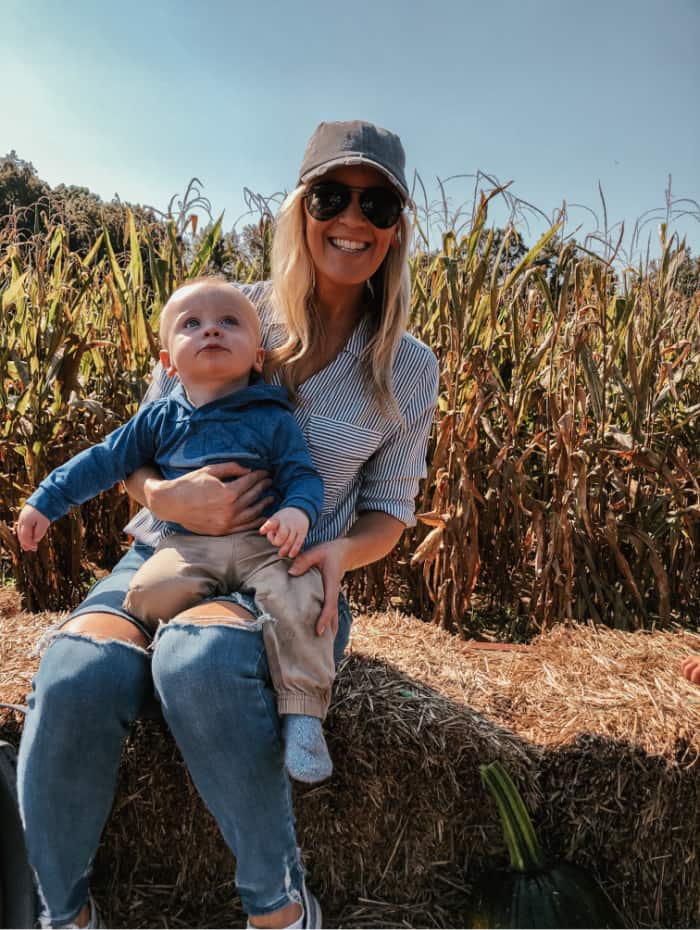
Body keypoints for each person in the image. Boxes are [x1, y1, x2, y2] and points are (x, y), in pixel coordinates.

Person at [17, 119, 439, 930]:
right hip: (161, 553)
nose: (353, 220)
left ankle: (278, 906)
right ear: (299, 207)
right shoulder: (220, 310)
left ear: (396, 226)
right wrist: (165, 499)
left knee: (201, 660)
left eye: (377, 204)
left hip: (278, 578)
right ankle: (62, 914)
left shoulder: (406, 364)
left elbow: (390, 513)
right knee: (74, 674)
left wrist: (331, 552)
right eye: (332, 196)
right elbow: (133, 452)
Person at [16, 279, 336, 785]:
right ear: (169, 363)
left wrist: (298, 512)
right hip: (187, 546)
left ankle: (302, 715)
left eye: (229, 322)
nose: (210, 327)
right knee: (144, 592)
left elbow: (303, 475)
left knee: (303, 596)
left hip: (264, 546)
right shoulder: (159, 419)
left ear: (258, 357)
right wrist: (47, 500)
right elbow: (104, 461)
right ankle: (160, 669)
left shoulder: (273, 418)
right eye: (192, 324)